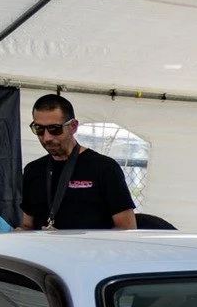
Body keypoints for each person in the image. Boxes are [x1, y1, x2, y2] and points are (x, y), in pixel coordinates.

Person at [18, 94, 136, 231]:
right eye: (38, 129)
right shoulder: (33, 170)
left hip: (88, 252)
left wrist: (68, 241)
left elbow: (127, 228)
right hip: (43, 251)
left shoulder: (105, 168)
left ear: (73, 126)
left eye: (54, 129)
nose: (46, 137)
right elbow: (27, 224)